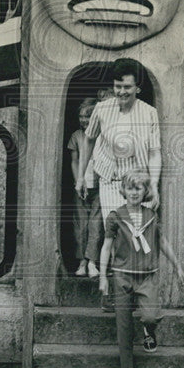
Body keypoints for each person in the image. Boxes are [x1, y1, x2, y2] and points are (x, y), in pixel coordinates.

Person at [99, 170, 184, 368]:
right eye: (130, 188)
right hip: (122, 275)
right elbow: (107, 246)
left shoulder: (151, 216)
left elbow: (163, 242)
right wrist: (103, 276)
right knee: (123, 325)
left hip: (147, 275)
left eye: (139, 188)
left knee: (150, 315)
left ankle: (149, 329)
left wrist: (177, 266)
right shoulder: (115, 217)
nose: (134, 192)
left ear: (145, 191)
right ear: (123, 190)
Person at [76, 58, 161, 221]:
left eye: (127, 87)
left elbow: (154, 152)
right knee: (114, 235)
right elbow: (89, 140)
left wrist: (154, 184)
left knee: (137, 237)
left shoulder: (149, 113)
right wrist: (81, 177)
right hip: (111, 183)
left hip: (139, 185)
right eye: (118, 86)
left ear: (138, 88)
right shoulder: (101, 109)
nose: (122, 92)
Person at [67, 98, 102, 277]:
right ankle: (81, 262)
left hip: (99, 187)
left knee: (96, 225)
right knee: (81, 225)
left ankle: (92, 263)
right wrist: (77, 183)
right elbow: (74, 161)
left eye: (88, 116)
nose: (84, 120)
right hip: (81, 187)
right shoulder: (76, 136)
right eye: (81, 116)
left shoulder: (102, 135)